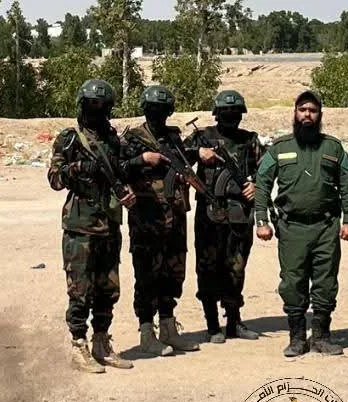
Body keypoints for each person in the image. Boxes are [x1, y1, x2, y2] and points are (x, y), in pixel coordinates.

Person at [254, 90, 348, 357]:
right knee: (292, 282)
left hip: (326, 227)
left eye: (312, 111)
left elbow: (347, 185)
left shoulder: (333, 148)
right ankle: (297, 338)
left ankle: (322, 336)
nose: (307, 115)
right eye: (302, 110)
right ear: (295, 113)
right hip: (291, 228)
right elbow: (262, 184)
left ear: (320, 115)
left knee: (325, 282)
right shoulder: (279, 147)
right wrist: (262, 220)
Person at [48, 79, 136, 373]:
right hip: (80, 226)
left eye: (102, 107)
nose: (97, 112)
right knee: (80, 289)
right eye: (92, 106)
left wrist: (127, 190)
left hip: (109, 224)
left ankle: (102, 342)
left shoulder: (113, 140)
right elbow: (54, 179)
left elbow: (123, 172)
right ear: (83, 107)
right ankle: (78, 345)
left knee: (108, 288)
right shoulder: (70, 140)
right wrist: (78, 168)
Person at [121, 85, 200, 356]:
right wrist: (141, 159)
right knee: (147, 274)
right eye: (154, 109)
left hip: (174, 215)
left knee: (173, 271)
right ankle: (146, 332)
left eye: (163, 110)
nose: (159, 115)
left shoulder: (173, 137)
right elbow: (117, 168)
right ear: (145, 109)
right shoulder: (133, 138)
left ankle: (168, 327)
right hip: (147, 216)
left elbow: (185, 160)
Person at [184, 90, 263, 344]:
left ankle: (233, 320)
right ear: (217, 114)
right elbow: (175, 155)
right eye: (226, 113)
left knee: (236, 267)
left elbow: (267, 169)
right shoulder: (202, 137)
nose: (231, 118)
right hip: (209, 213)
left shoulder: (249, 140)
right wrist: (198, 154)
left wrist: (257, 186)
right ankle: (211, 324)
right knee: (208, 267)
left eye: (235, 113)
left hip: (239, 213)